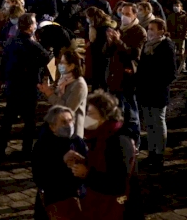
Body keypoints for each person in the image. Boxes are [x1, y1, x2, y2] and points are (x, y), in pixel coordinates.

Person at [64, 90, 142, 220]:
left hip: (118, 211)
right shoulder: (100, 136)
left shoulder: (119, 141)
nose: (86, 118)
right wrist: (82, 161)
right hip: (100, 205)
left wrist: (87, 174)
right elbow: (103, 165)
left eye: (91, 114)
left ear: (105, 116)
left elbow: (118, 183)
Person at [0, 13, 53, 159]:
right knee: (29, 121)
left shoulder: (11, 42)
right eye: (34, 24)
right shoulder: (33, 44)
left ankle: (1, 149)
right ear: (30, 27)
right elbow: (47, 59)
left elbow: (3, 63)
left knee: (8, 120)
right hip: (29, 87)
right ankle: (26, 150)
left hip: (13, 86)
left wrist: (3, 79)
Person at [32, 106, 87, 220]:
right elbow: (40, 177)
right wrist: (61, 161)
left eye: (70, 120)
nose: (68, 125)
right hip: (54, 199)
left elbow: (88, 162)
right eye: (63, 122)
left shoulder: (77, 141)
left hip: (76, 197)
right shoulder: (43, 145)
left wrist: (82, 161)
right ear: (52, 127)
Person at [137, 18, 177, 170]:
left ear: (161, 30)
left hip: (158, 91)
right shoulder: (147, 46)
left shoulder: (166, 46)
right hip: (146, 91)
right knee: (149, 123)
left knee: (158, 122)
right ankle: (152, 152)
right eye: (148, 29)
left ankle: (159, 154)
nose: (149, 32)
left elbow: (171, 73)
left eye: (152, 29)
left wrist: (156, 82)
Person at [38, 47, 88, 138]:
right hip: (59, 125)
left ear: (72, 66)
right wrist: (46, 91)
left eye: (62, 63)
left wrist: (50, 94)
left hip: (71, 130)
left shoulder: (79, 85)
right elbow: (56, 97)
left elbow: (68, 109)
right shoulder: (64, 79)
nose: (59, 65)